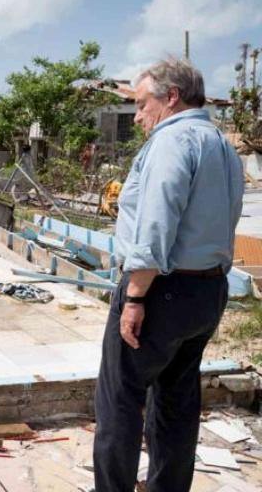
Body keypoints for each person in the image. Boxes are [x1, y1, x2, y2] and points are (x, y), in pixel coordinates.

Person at [93, 58, 244, 491]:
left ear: (171, 97)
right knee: (177, 401)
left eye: (142, 104)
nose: (138, 116)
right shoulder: (220, 144)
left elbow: (157, 223)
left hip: (161, 290)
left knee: (120, 399)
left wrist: (136, 296)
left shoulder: (172, 141)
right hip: (208, 289)